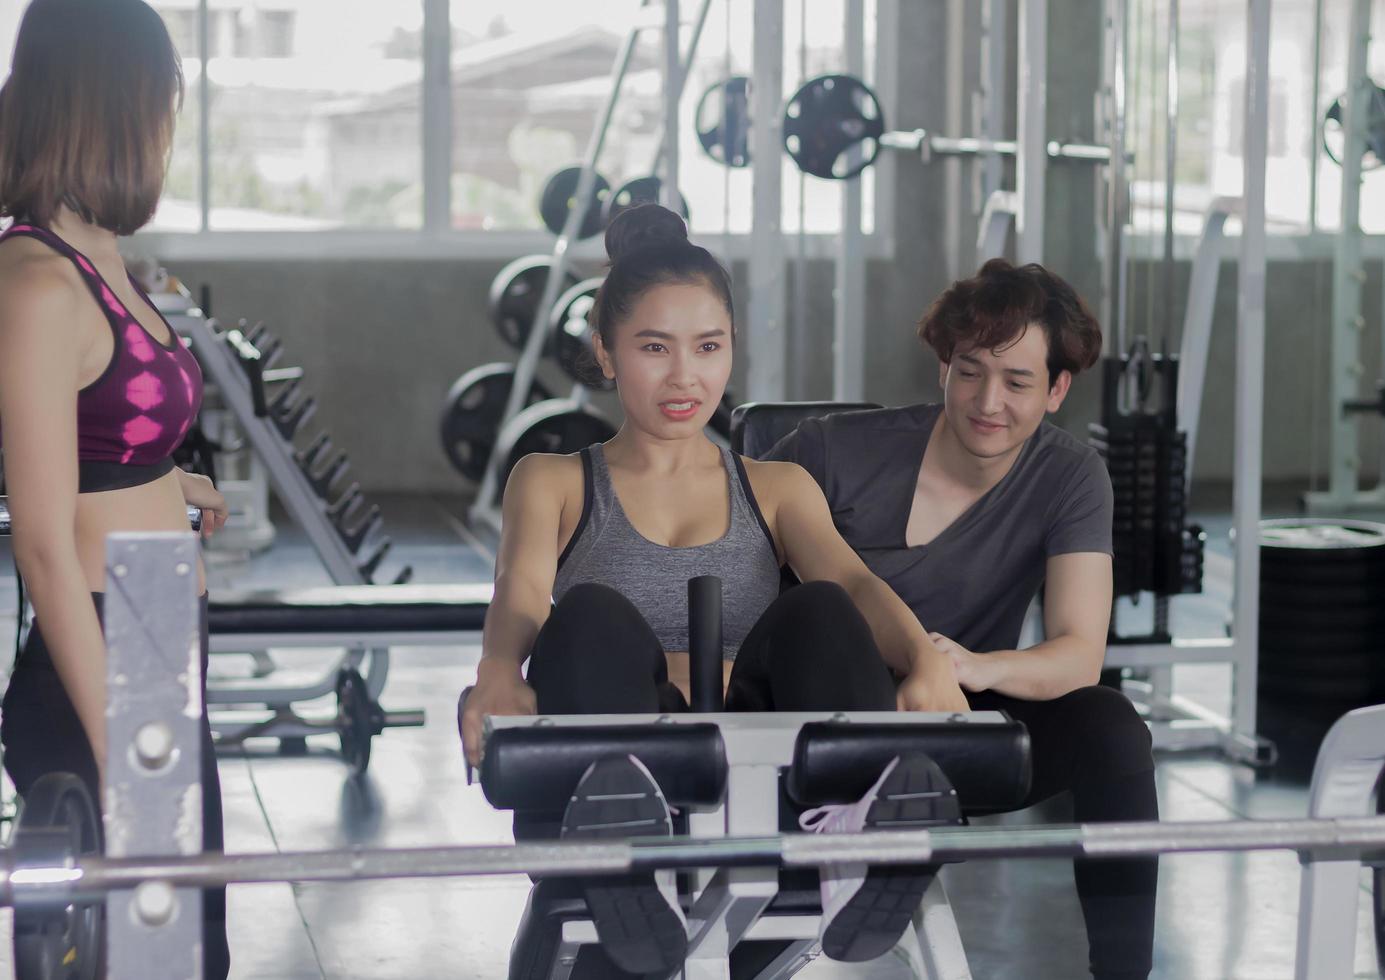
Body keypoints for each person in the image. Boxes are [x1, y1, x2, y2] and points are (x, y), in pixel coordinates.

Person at [460, 204, 968, 975]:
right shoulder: (555, 479)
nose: (683, 376)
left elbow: (855, 582)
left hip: (760, 780)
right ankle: (636, 864)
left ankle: (854, 849)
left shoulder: (777, 486)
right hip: (624, 774)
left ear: (732, 349)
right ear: (604, 352)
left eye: (707, 347)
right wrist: (498, 668)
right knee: (589, 614)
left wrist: (925, 663)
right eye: (653, 348)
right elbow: (522, 588)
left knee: (822, 609)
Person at [767, 258, 1158, 980]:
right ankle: (874, 837)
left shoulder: (1069, 476)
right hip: (810, 736)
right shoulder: (832, 453)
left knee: (1111, 727)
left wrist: (973, 667)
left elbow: (1077, 653)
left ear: (1056, 391)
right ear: (943, 366)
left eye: (1017, 382)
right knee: (828, 608)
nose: (988, 401)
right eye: (971, 370)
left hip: (945, 728)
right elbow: (725, 573)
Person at [0, 2, 230, 975]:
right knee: (156, 956)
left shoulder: (96, 253)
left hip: (154, 633)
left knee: (192, 949)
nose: (168, 127)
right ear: (110, 106)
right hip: (105, 653)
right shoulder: (36, 281)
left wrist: (161, 475)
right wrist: (136, 758)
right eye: (162, 102)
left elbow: (91, 435)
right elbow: (45, 544)